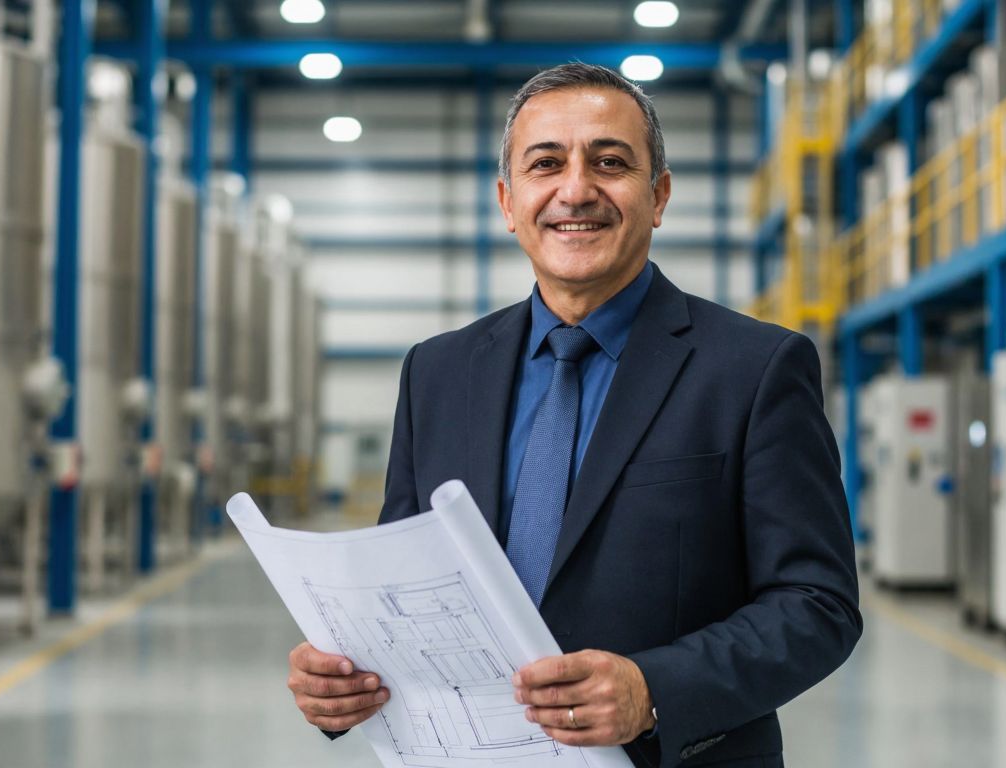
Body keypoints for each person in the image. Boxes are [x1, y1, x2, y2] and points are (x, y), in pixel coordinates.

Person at [286, 62, 861, 768]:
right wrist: (342, 679)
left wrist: (654, 689)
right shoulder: (437, 373)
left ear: (659, 196)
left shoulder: (754, 369)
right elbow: (403, 580)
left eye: (610, 162)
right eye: (546, 164)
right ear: (508, 201)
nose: (576, 189)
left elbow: (817, 603)